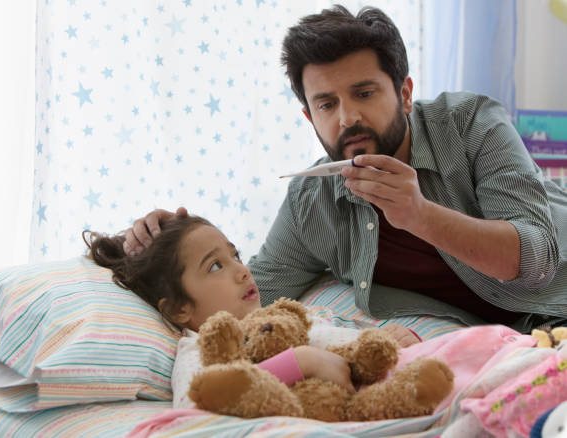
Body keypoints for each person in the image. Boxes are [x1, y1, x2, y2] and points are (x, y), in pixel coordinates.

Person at [123, 5, 567, 332]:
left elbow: (537, 261)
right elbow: (254, 292)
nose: (346, 117)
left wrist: (420, 215)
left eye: (364, 93)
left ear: (405, 94)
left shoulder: (471, 124)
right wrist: (159, 248)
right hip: (510, 345)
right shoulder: (312, 202)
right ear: (308, 117)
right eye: (326, 104)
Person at [83, 215, 420, 396]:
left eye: (235, 255)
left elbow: (344, 339)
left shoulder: (287, 317)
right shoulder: (201, 350)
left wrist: (385, 336)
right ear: (179, 309)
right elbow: (199, 401)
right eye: (215, 266)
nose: (242, 270)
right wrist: (299, 363)